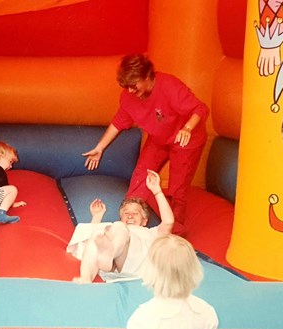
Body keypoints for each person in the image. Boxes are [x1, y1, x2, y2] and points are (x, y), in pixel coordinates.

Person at [83, 54, 209, 236]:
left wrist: (187, 128)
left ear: (147, 76)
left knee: (177, 189)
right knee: (140, 177)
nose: (130, 90)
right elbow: (120, 120)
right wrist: (100, 147)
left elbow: (200, 108)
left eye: (134, 85)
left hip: (186, 140)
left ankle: (173, 232)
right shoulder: (129, 96)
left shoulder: (169, 86)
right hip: (159, 138)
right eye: (126, 86)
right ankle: (129, 227)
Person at [68, 170, 173, 283]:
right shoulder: (115, 229)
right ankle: (86, 278)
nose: (130, 216)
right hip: (115, 264)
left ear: (144, 221)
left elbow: (168, 222)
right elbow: (89, 240)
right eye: (126, 213)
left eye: (135, 213)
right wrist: (97, 217)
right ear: (121, 217)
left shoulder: (152, 233)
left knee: (117, 229)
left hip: (137, 265)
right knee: (99, 233)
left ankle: (109, 253)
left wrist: (157, 191)